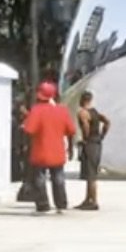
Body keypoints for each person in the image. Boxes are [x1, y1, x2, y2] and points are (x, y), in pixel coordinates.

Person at [21, 81, 79, 215]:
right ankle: (61, 204)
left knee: (40, 178)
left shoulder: (36, 110)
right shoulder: (62, 110)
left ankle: (43, 205)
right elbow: (71, 130)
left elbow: (29, 130)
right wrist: (69, 148)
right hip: (58, 151)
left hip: (40, 151)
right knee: (58, 178)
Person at [75, 90, 111, 211]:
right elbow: (107, 121)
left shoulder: (83, 113)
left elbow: (85, 125)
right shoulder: (95, 112)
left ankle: (93, 201)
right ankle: (87, 199)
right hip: (97, 143)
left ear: (83, 100)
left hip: (90, 144)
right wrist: (102, 135)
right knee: (90, 172)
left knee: (91, 174)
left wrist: (85, 138)